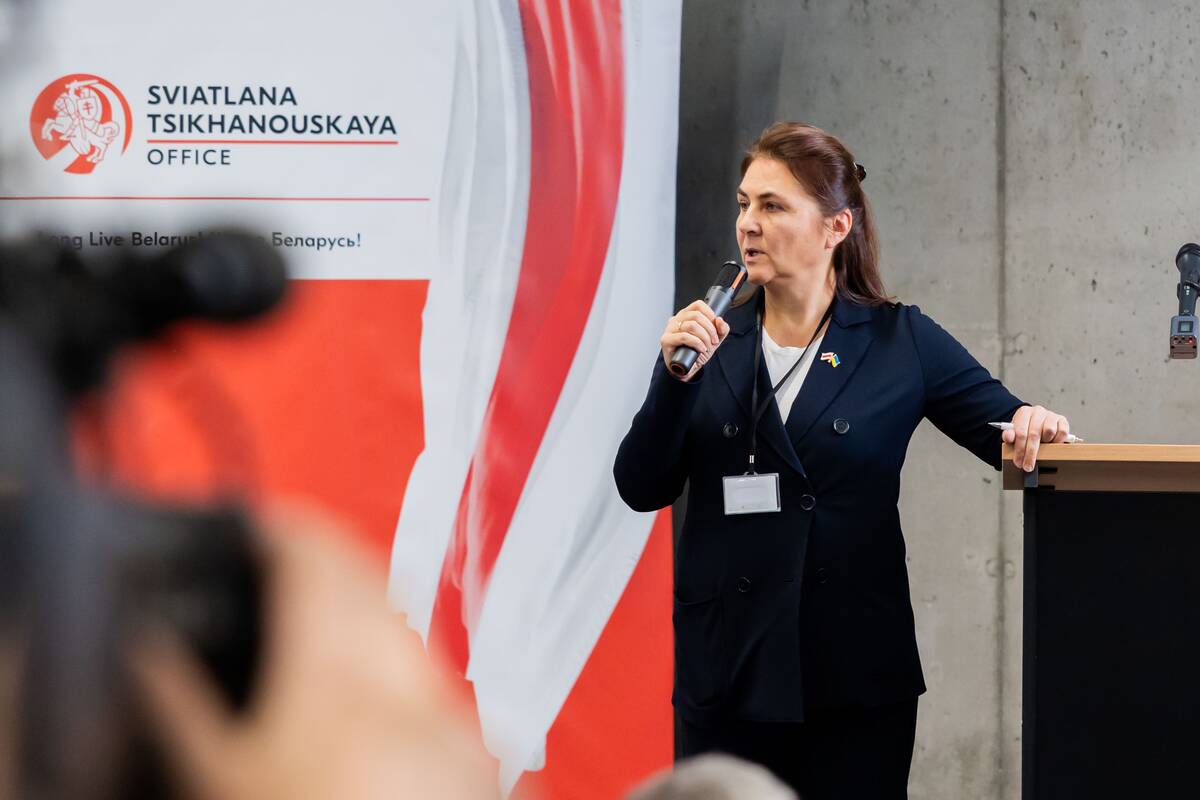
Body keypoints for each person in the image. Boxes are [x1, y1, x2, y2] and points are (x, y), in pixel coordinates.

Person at [613, 121, 1071, 799]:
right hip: (729, 669)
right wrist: (672, 380)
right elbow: (640, 485)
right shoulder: (711, 341)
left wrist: (1036, 422)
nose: (748, 224)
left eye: (773, 206)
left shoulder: (897, 340)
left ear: (836, 227)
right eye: (744, 204)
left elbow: (1010, 431)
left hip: (853, 674)